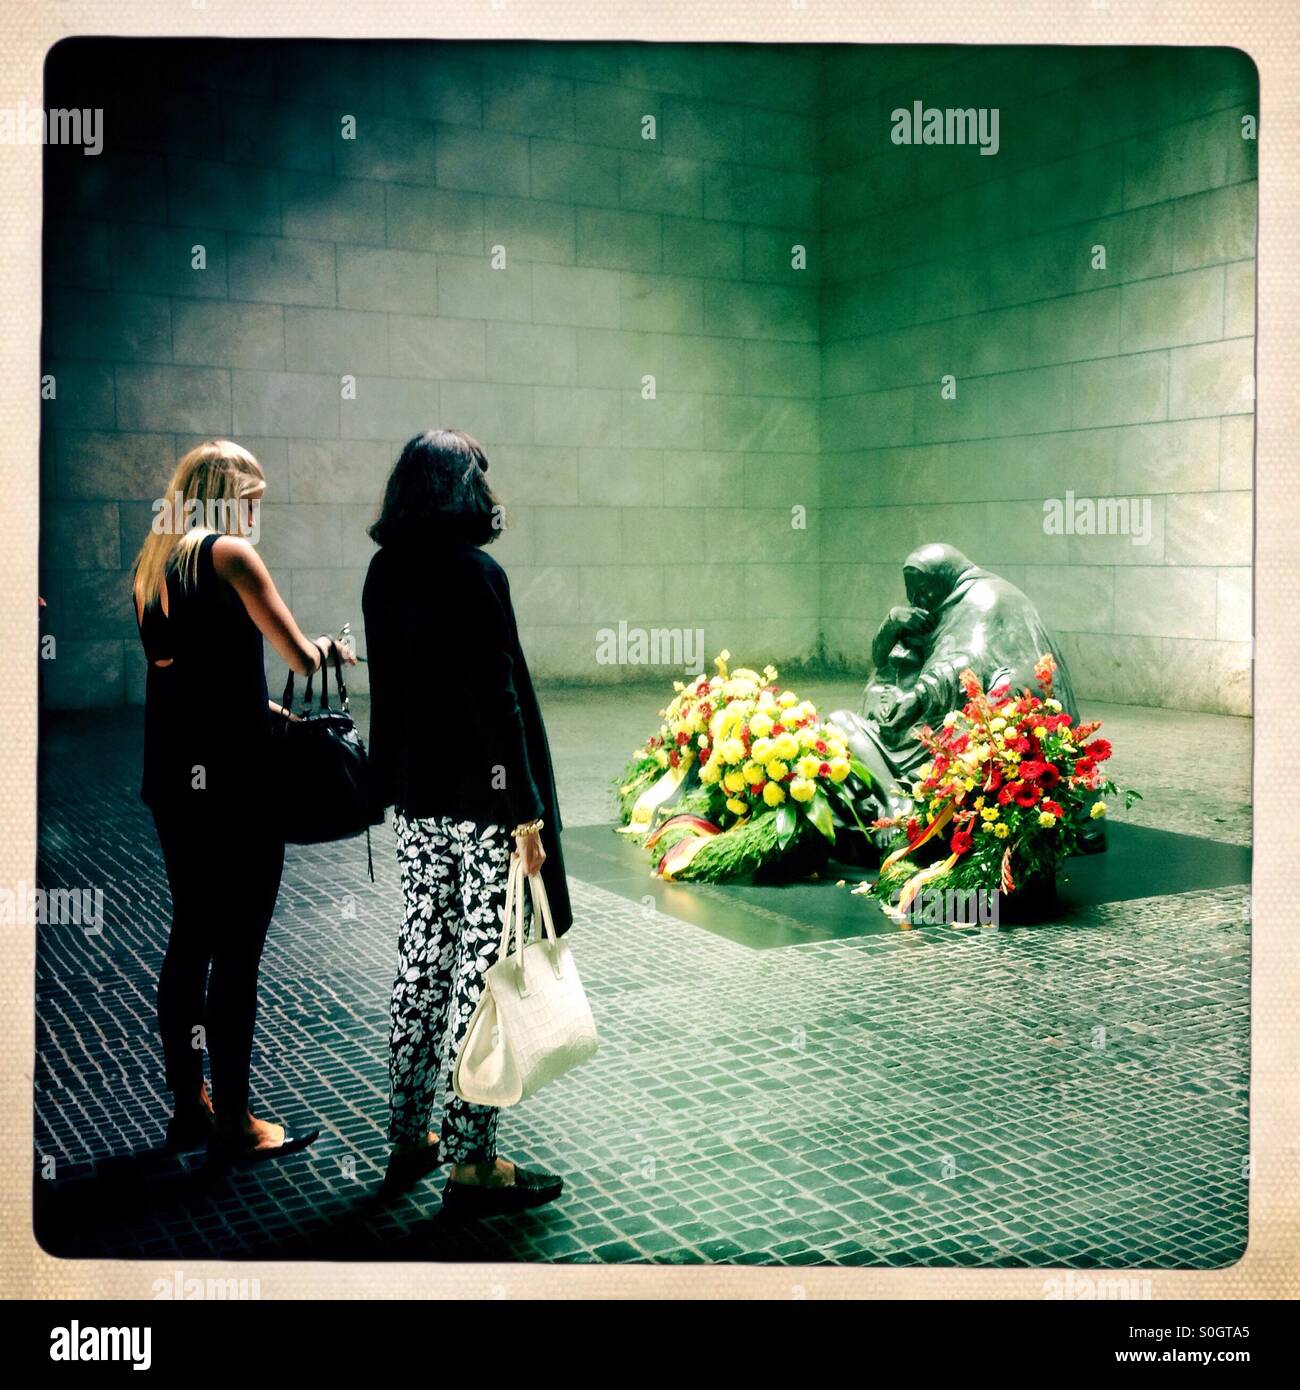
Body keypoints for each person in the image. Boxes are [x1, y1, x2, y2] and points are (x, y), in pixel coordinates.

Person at [363, 428, 569, 1218]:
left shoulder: (384, 573)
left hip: (421, 803)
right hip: (486, 812)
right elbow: (498, 701)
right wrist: (525, 813)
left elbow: (393, 688)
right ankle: (473, 1163)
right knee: (485, 975)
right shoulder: (478, 574)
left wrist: (389, 786)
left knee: (423, 958)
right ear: (462, 489)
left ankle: (410, 1134)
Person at [132, 440, 354, 1163]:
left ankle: (187, 1108)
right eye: (252, 495)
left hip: (173, 778)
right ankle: (237, 1122)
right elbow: (295, 654)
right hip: (236, 783)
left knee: (190, 933)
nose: (258, 510)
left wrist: (267, 711)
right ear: (229, 494)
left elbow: (198, 677)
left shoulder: (154, 567)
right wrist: (332, 648)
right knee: (239, 951)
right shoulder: (230, 555)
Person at [831, 542, 1082, 828]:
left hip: (982, 718)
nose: (918, 598)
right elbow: (882, 659)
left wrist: (918, 697)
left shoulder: (987, 598)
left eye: (924, 589)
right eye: (911, 591)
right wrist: (892, 623)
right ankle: (895, 795)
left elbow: (968, 663)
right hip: (927, 715)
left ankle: (908, 793)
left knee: (957, 743)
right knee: (841, 725)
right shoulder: (942, 603)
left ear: (945, 578)